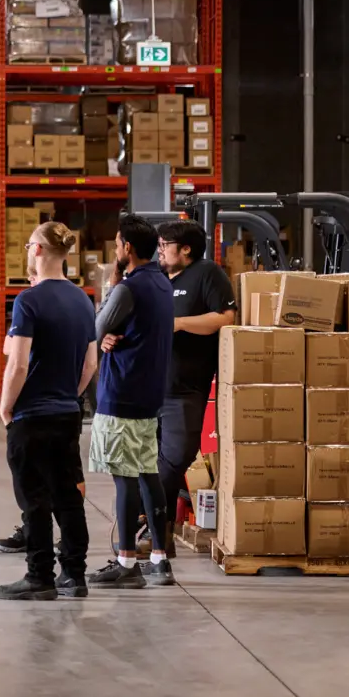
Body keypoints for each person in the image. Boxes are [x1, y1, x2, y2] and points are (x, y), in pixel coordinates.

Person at [0, 222, 99, 601]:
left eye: (27, 244)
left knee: (34, 499)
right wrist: (67, 396)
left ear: (37, 250)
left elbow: (17, 364)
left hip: (32, 415)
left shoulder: (29, 300)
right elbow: (90, 363)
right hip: (67, 414)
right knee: (68, 496)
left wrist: (7, 407)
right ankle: (75, 574)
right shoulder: (82, 300)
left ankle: (40, 576)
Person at [87, 213, 176, 588]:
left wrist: (105, 332)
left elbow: (94, 327)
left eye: (118, 243)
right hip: (149, 394)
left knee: (124, 479)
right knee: (147, 474)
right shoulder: (161, 283)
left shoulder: (128, 288)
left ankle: (126, 563)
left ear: (126, 247)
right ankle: (159, 558)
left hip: (122, 393)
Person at [154, 219, 237, 552]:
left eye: (166, 244)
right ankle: (157, 535)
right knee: (149, 463)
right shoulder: (157, 278)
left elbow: (225, 318)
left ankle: (158, 532)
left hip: (186, 388)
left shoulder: (207, 274)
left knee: (174, 459)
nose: (160, 249)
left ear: (185, 249)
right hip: (152, 387)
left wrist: (179, 324)